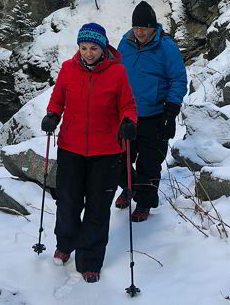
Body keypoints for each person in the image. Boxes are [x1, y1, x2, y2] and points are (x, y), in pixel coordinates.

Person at [41, 22, 137, 283]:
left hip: (106, 151)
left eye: (93, 48)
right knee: (68, 201)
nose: (88, 52)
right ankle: (65, 243)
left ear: (103, 47)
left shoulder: (117, 72)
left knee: (97, 206)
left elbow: (127, 104)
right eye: (83, 47)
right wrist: (52, 115)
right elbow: (58, 98)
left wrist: (128, 121)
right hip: (71, 147)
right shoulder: (68, 69)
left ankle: (91, 259)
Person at [115, 1, 187, 222]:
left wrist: (171, 112)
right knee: (118, 159)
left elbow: (178, 79)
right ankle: (130, 188)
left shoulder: (166, 47)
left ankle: (144, 203)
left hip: (155, 115)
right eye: (136, 28)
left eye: (144, 28)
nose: (139, 32)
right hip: (127, 115)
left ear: (153, 27)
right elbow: (116, 73)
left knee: (149, 162)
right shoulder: (125, 43)